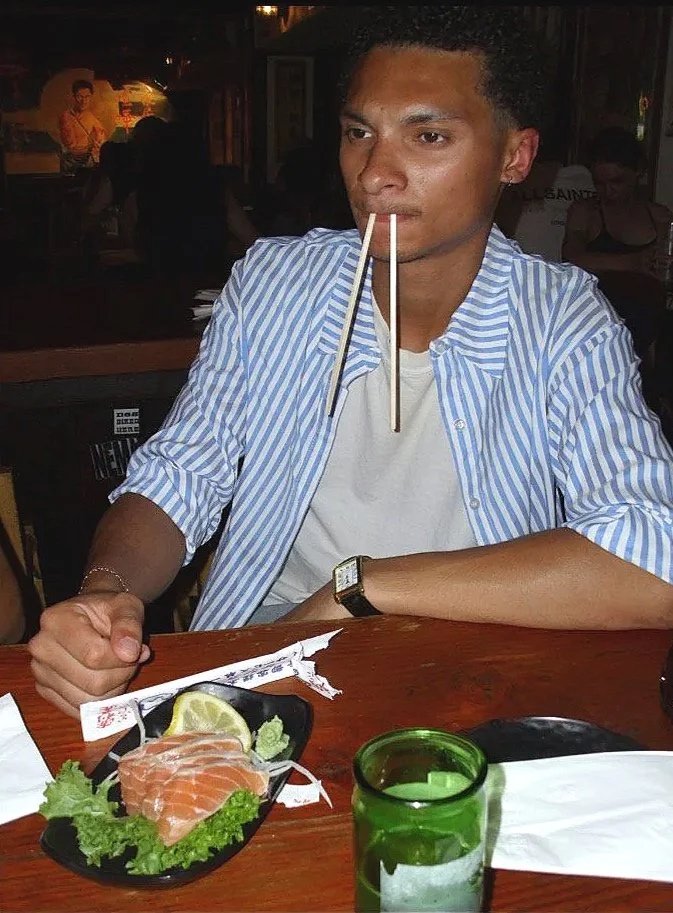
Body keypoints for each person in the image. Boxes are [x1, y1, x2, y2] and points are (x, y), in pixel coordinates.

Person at [29, 6, 673, 719]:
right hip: (271, 647)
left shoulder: (559, 318)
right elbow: (182, 472)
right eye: (358, 132)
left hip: (474, 661)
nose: (374, 174)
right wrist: (104, 591)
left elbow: (652, 560)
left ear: (514, 157)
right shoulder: (276, 284)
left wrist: (360, 586)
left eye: (428, 135)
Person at [58, 79, 106, 171]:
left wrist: (98, 143)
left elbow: (101, 139)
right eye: (79, 96)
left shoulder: (92, 118)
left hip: (88, 161)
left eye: (87, 96)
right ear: (74, 97)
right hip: (70, 161)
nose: (83, 101)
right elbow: (70, 144)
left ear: (91, 97)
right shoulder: (66, 116)